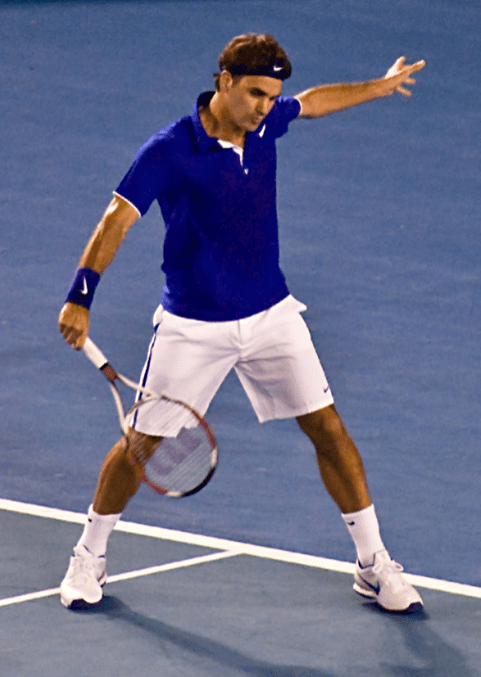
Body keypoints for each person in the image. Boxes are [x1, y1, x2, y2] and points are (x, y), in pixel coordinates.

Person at [58, 34, 426, 613]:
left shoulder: (266, 124)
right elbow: (116, 219)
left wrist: (377, 88)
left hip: (271, 316)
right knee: (142, 444)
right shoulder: (169, 151)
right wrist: (80, 296)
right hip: (193, 326)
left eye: (271, 97)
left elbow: (313, 102)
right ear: (224, 81)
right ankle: (88, 556)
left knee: (328, 429)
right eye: (255, 93)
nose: (265, 108)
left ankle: (373, 563)